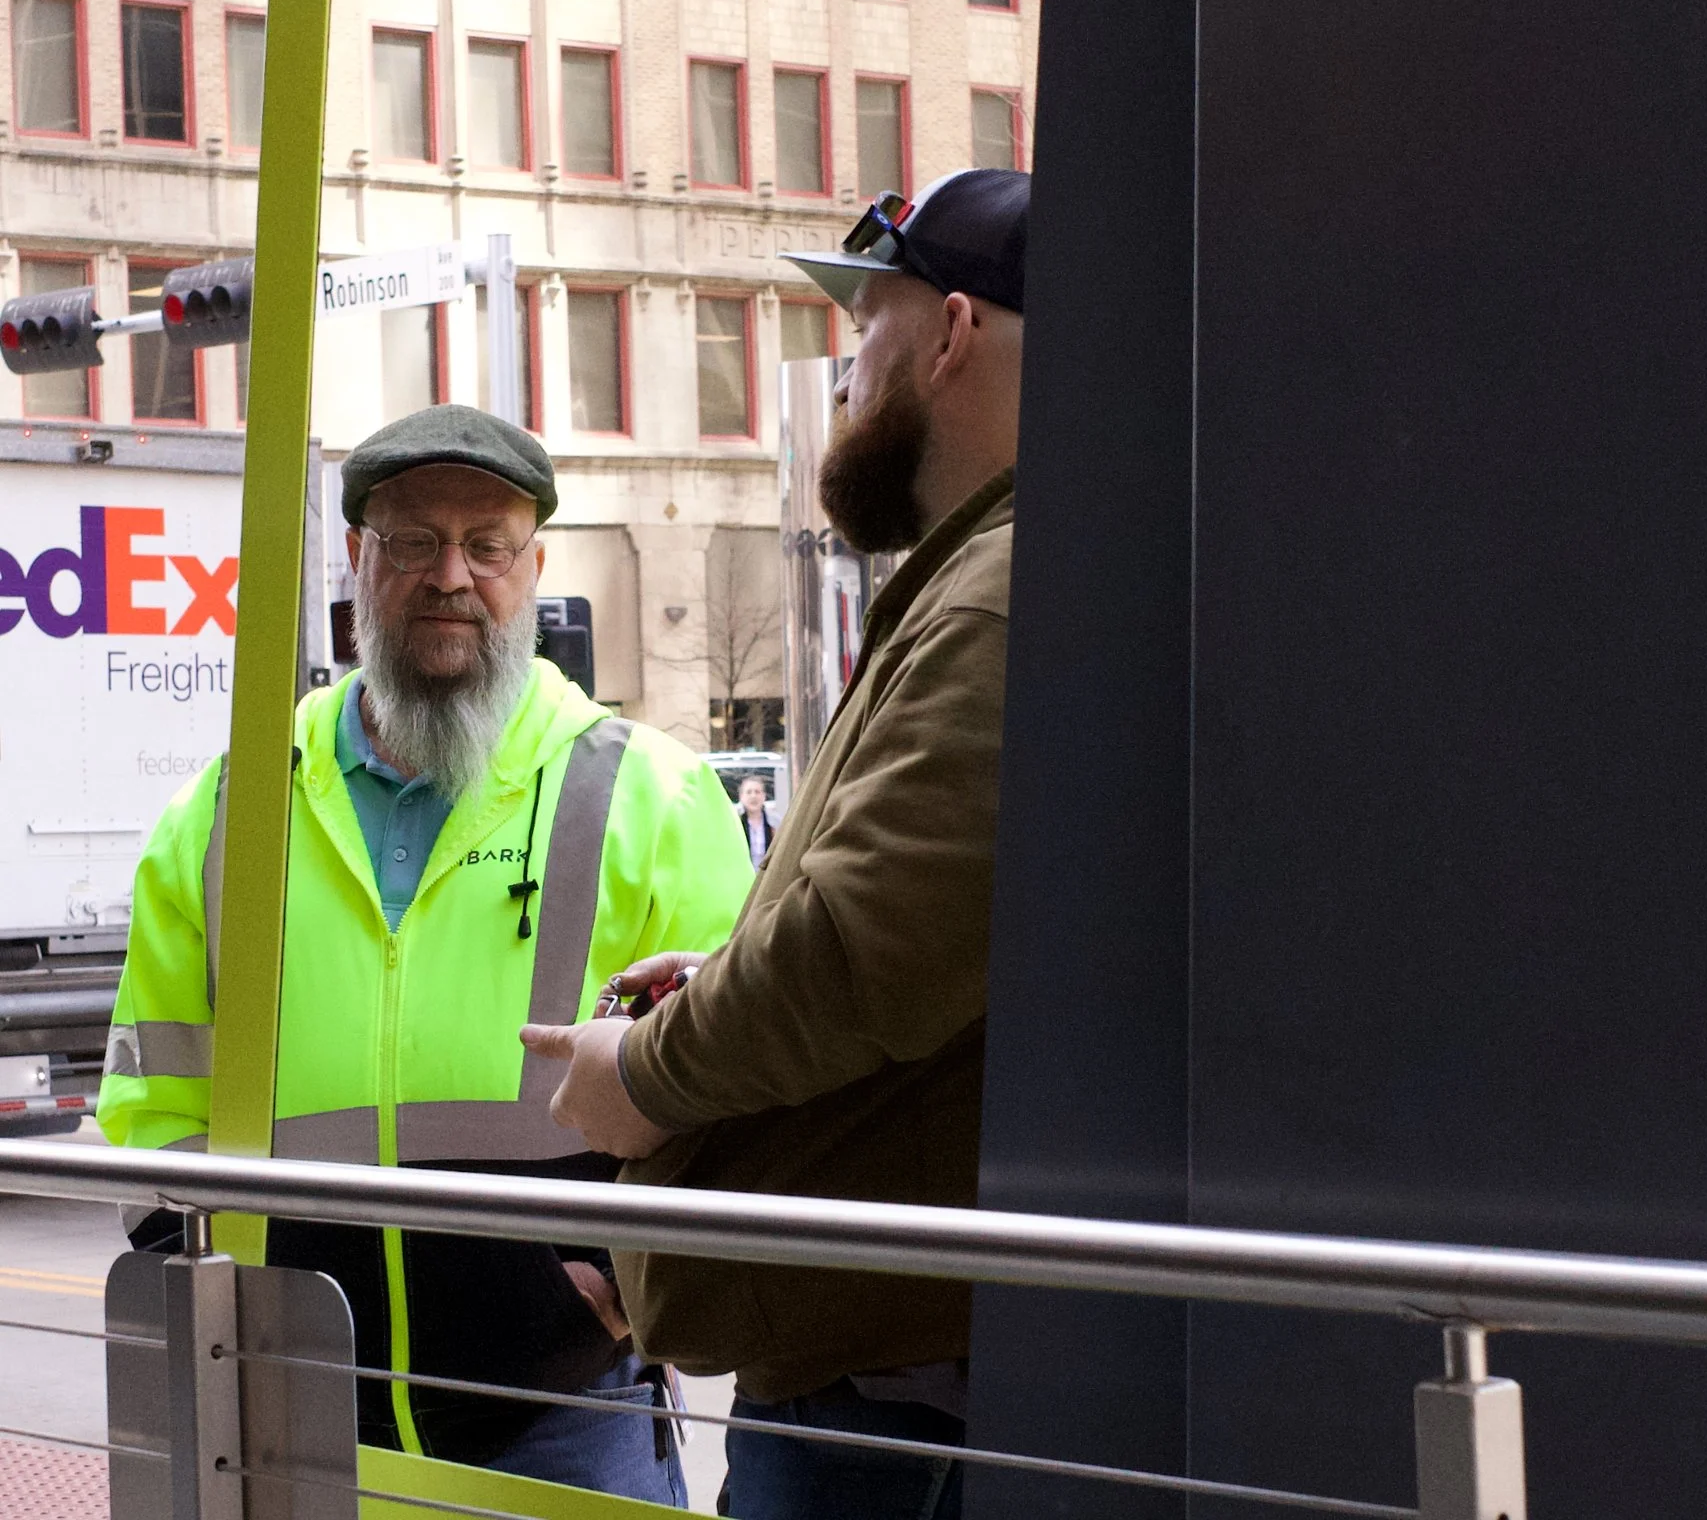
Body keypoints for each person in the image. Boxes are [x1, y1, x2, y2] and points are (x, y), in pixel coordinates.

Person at [102, 406, 756, 1504]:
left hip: (566, 1412)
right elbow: (154, 1099)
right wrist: (205, 1288)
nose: (451, 576)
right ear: (358, 563)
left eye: (487, 544)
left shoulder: (655, 794)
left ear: (532, 567)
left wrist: (642, 1284)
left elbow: (742, 1088)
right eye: (411, 540)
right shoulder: (223, 812)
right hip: (289, 1408)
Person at [520, 169, 1029, 1520]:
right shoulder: (981, 579)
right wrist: (727, 973)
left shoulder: (997, 594)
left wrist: (647, 1077)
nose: (849, 370)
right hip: (882, 1379)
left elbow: (869, 950)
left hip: (891, 1411)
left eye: (870, 325)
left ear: (953, 332)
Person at [733, 774, 776, 869]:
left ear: (764, 796)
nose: (753, 796)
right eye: (749, 792)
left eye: (757, 792)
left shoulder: (775, 824)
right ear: (741, 796)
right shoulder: (734, 824)